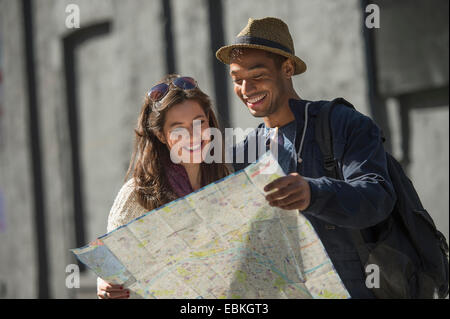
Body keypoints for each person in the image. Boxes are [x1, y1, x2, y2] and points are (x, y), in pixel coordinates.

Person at [216, 17, 396, 298]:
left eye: (258, 75)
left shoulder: (342, 123)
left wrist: (313, 192)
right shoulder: (242, 154)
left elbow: (377, 197)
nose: (246, 89)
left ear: (287, 68)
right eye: (237, 80)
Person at [97, 74, 232, 299]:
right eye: (178, 128)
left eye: (199, 123)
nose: (193, 136)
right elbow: (113, 273)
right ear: (161, 135)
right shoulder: (137, 195)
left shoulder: (227, 179)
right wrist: (106, 283)